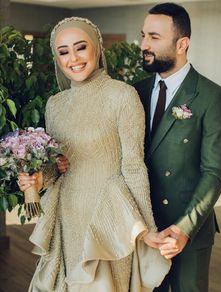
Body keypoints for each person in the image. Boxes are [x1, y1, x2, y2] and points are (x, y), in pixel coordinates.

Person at [18, 17, 170, 291]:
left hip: (108, 220)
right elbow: (58, 167)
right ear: (57, 58)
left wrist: (147, 228)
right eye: (63, 52)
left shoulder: (122, 96)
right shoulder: (55, 105)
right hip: (67, 215)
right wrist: (38, 180)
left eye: (80, 47)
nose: (73, 58)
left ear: (97, 49)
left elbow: (134, 167)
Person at [134, 3, 221, 292]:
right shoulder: (134, 92)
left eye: (154, 37)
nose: (143, 45)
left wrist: (182, 230)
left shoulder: (213, 97)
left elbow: (215, 172)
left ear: (182, 44)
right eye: (143, 36)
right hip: (144, 230)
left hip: (188, 231)